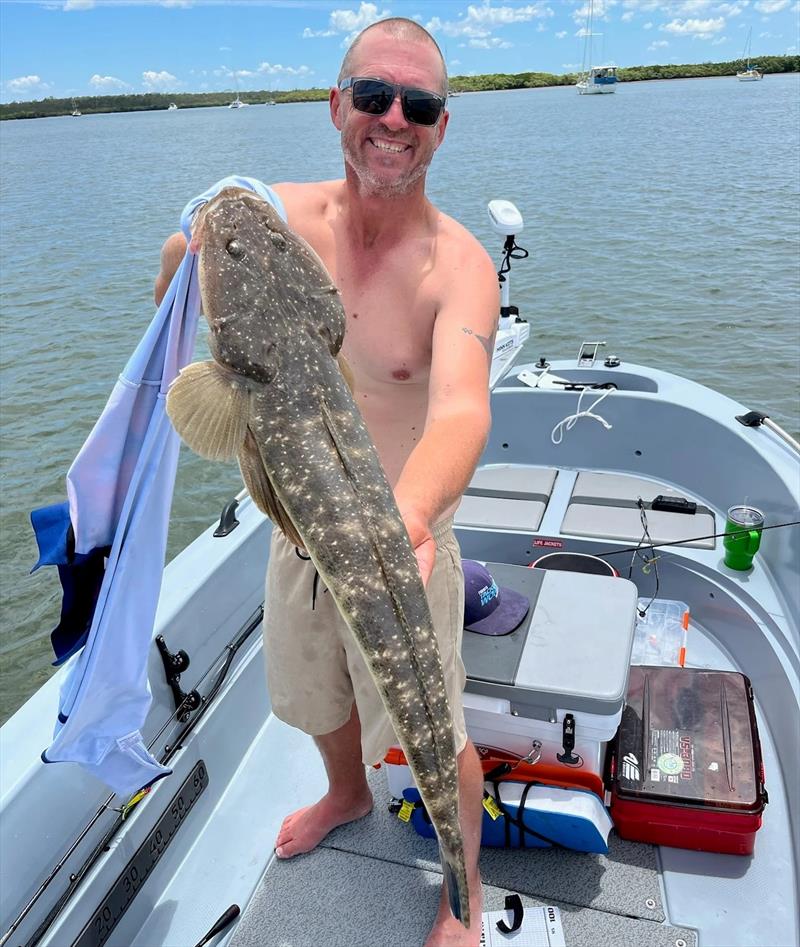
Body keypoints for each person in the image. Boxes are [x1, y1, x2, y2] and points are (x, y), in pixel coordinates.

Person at [155, 18, 498, 946]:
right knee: (312, 697)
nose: (395, 119)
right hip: (295, 528)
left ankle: (461, 885)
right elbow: (179, 337)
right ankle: (346, 792)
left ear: (441, 125)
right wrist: (179, 265)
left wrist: (413, 514)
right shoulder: (274, 220)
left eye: (418, 106)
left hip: (403, 538)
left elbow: (463, 407)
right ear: (336, 103)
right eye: (375, 96)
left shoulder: (460, 266)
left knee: (435, 725)